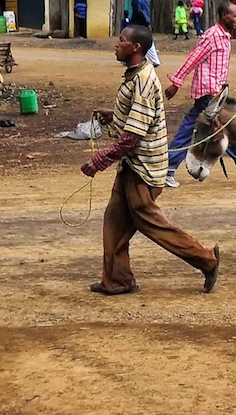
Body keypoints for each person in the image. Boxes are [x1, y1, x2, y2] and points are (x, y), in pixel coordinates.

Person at [81, 25, 220, 296]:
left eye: (121, 40)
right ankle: (118, 280)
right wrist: (114, 115)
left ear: (136, 48)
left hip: (143, 169)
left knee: (152, 225)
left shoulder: (144, 81)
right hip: (132, 166)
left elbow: (131, 137)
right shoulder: (136, 76)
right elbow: (137, 119)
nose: (116, 44)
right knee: (114, 222)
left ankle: (207, 260)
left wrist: (98, 161)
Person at [165, 2, 236, 188]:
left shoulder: (224, 36)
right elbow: (193, 58)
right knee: (223, 128)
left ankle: (168, 168)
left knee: (190, 128)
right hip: (207, 92)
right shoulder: (212, 36)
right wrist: (176, 82)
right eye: (235, 16)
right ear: (224, 15)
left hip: (215, 92)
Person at [129, 0, 160, 67]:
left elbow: (139, 12)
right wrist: (147, 21)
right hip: (146, 21)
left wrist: (141, 21)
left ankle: (133, 59)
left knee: (134, 40)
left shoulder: (135, 0)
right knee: (147, 40)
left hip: (139, 23)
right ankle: (153, 60)